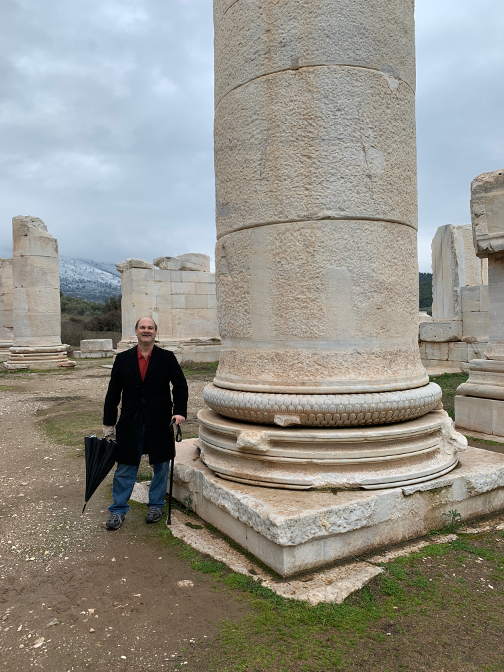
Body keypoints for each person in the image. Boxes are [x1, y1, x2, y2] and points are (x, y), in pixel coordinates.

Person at [102, 317, 188, 530]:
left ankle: (156, 505)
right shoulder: (123, 359)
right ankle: (118, 510)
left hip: (160, 421)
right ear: (136, 331)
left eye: (150, 328)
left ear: (155, 332)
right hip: (131, 421)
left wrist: (179, 412)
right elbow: (113, 393)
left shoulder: (167, 358)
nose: (146, 331)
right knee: (125, 466)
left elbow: (180, 386)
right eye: (143, 327)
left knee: (160, 466)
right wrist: (108, 423)